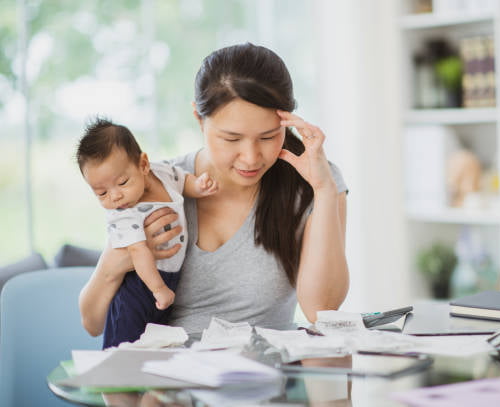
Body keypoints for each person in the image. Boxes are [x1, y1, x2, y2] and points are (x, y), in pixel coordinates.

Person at [79, 43, 349, 340]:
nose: (251, 157)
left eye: (269, 136)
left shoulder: (313, 180)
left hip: (263, 377)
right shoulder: (157, 185)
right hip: (166, 378)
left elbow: (321, 309)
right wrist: (114, 265)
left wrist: (324, 191)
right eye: (232, 138)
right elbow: (93, 324)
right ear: (198, 119)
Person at [76, 118, 218, 348]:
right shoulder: (124, 214)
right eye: (101, 193)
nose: (115, 197)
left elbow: (182, 180)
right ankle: (117, 380)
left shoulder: (161, 172)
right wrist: (159, 289)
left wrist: (199, 187)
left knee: (156, 344)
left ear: (143, 165)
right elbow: (138, 251)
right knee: (126, 346)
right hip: (139, 286)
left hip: (168, 278)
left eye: (122, 182)